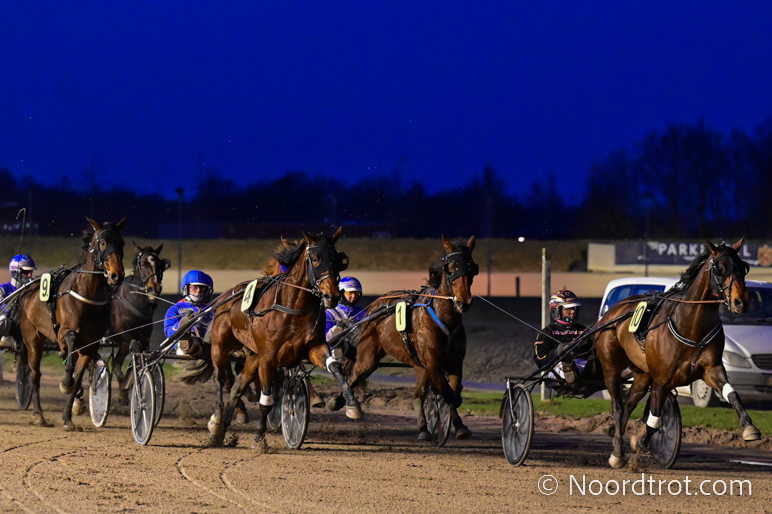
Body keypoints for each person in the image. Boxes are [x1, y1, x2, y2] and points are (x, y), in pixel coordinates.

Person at [533, 289, 589, 384]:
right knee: (567, 364)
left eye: (574, 308)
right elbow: (540, 361)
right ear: (556, 310)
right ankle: (570, 370)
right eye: (569, 309)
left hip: (583, 366)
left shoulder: (584, 330)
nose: (573, 312)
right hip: (556, 370)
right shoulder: (548, 332)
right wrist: (557, 351)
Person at [164, 270, 214, 356]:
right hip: (187, 343)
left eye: (202, 289)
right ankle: (189, 343)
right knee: (189, 343)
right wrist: (183, 323)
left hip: (210, 342)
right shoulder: (175, 309)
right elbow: (169, 333)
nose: (198, 291)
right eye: (194, 288)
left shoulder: (210, 309)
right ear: (186, 289)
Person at [325, 276, 366, 360]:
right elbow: (325, 337)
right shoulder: (330, 313)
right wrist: (339, 327)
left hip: (360, 349)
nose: (353, 296)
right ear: (341, 293)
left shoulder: (363, 313)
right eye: (349, 293)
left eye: (356, 293)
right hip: (334, 351)